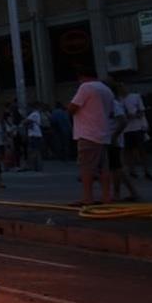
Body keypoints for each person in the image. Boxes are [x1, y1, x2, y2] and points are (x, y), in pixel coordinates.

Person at [68, 70, 115, 206]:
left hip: (87, 133)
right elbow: (111, 112)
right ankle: (107, 197)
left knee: (87, 167)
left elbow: (72, 108)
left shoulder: (86, 87)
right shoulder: (106, 89)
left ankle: (87, 198)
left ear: (82, 77)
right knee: (103, 168)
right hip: (103, 133)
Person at [108, 90, 140, 202]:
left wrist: (114, 136)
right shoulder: (111, 103)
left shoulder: (113, 104)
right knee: (117, 168)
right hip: (111, 140)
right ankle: (132, 192)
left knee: (116, 168)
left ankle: (118, 194)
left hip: (113, 141)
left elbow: (123, 121)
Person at [119, 86, 152, 180]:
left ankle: (146, 171)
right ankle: (132, 171)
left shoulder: (135, 97)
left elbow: (142, 112)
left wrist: (135, 116)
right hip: (125, 129)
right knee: (128, 151)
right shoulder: (118, 99)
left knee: (142, 151)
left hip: (137, 128)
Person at [22, 103, 44, 172]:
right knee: (36, 151)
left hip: (34, 135)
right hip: (37, 135)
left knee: (34, 151)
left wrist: (24, 120)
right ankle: (37, 166)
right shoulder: (37, 114)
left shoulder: (34, 114)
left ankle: (36, 166)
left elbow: (25, 121)